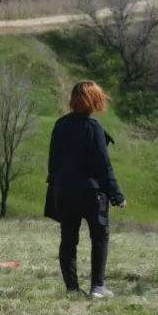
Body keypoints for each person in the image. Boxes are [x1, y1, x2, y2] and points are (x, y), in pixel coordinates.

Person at [47, 80, 126, 299]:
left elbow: (52, 162)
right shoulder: (94, 128)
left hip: (65, 191)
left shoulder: (60, 125)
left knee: (68, 239)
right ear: (94, 100)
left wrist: (56, 185)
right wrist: (117, 195)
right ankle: (97, 287)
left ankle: (72, 288)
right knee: (99, 237)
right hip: (91, 193)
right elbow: (103, 165)